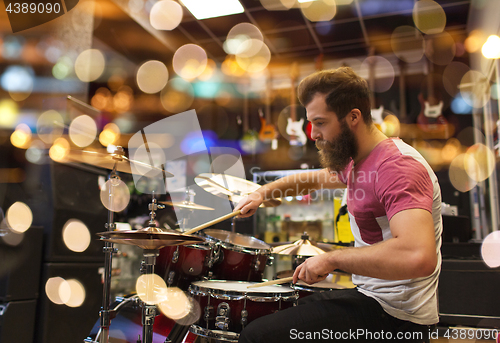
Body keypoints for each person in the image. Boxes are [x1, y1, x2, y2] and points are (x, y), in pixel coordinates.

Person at [234, 67, 442, 342]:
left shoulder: (397, 167)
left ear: (353, 117)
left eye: (320, 122)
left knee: (257, 336)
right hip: (372, 298)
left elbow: (418, 256)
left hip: (397, 318)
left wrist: (332, 259)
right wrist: (263, 193)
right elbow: (316, 180)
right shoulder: (362, 160)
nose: (313, 133)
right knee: (286, 310)